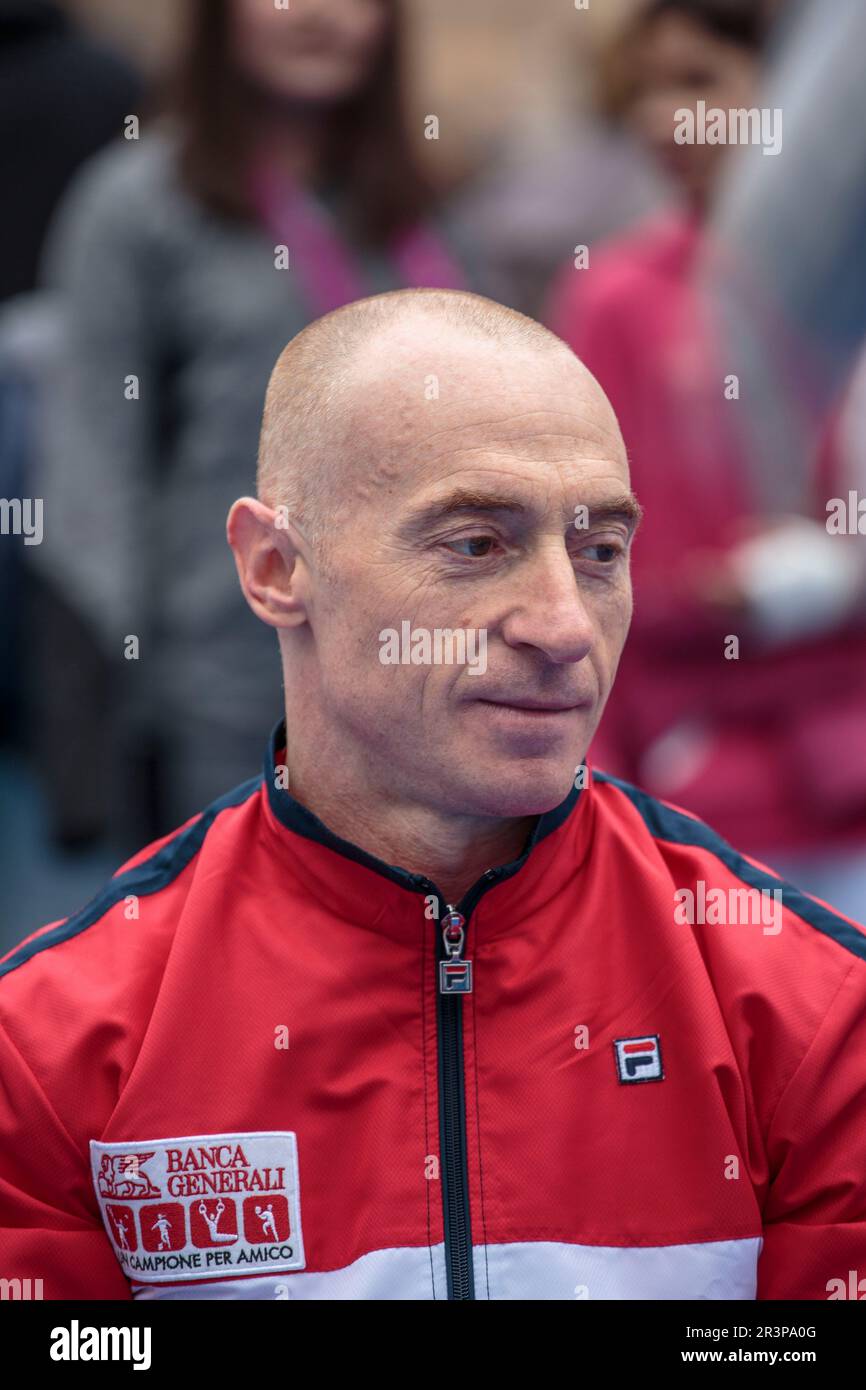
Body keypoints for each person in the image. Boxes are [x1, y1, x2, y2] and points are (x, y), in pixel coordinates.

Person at [1, 290, 864, 1301]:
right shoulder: (52, 1043)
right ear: (276, 567)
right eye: (474, 544)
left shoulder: (810, 1010)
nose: (562, 626)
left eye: (598, 552)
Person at [30, 0, 471, 850]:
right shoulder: (138, 206)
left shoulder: (421, 211)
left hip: (425, 688)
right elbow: (91, 470)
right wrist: (111, 714)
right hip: (225, 705)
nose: (320, 16)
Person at [546, 0, 866, 919]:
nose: (661, 118)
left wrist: (833, 580)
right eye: (642, 91)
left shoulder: (835, 282)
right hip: (703, 804)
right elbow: (588, 562)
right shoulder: (611, 297)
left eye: (696, 84)